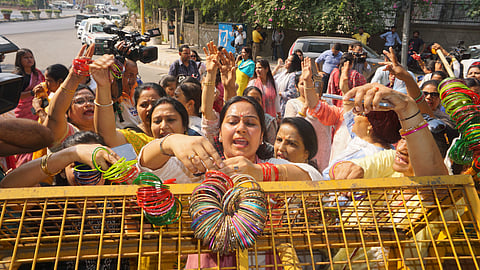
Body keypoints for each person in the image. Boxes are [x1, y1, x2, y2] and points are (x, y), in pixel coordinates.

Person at [13, 48, 45, 121]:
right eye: (26, 58)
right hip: (23, 109)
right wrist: (32, 93)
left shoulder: (37, 73)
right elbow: (16, 95)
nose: (29, 59)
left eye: (31, 57)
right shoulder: (18, 76)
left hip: (38, 105)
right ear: (19, 60)